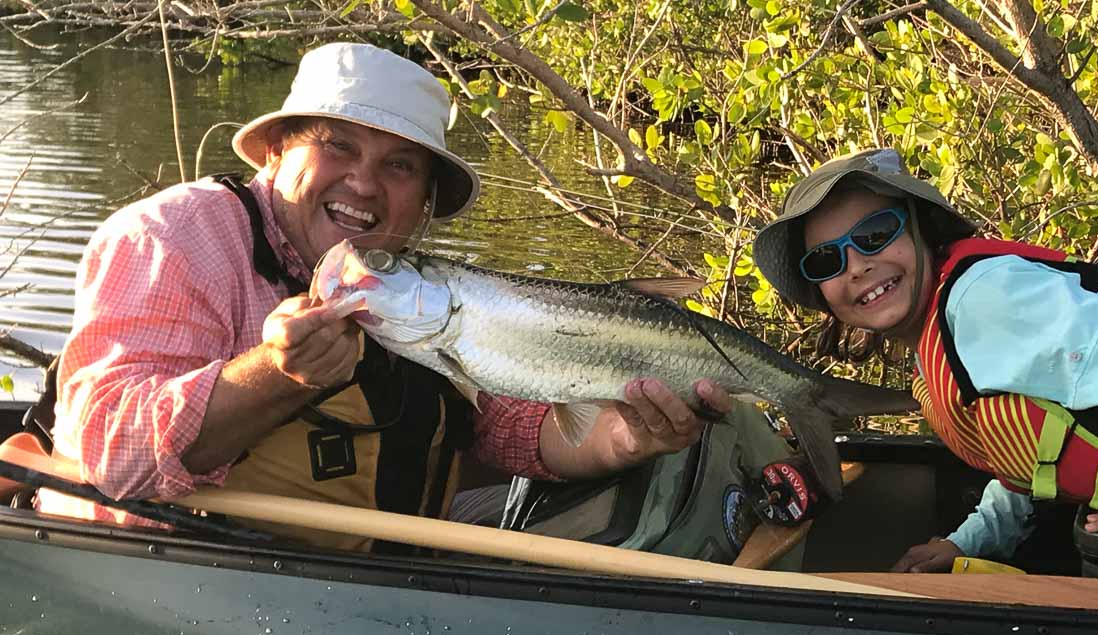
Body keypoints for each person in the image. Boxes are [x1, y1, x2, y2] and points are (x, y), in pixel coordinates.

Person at [39, 42, 730, 550]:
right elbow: (113, 455)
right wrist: (276, 377)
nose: (364, 186)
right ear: (277, 153)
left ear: (425, 204)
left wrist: (621, 437)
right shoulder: (172, 238)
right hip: (172, 576)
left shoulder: (408, 283)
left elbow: (504, 428)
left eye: (399, 166)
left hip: (374, 580)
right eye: (337, 146)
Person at [752, 147, 1098, 579]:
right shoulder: (939, 338)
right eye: (827, 260)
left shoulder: (985, 299)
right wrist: (969, 540)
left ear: (920, 228)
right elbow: (1031, 454)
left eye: (875, 234)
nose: (856, 266)